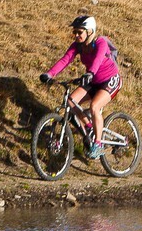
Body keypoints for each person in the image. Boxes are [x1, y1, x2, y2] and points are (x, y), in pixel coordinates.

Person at [40, 13, 121, 159]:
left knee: (94, 106)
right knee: (70, 101)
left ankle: (98, 144)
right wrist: (49, 74)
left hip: (110, 80)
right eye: (75, 32)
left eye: (80, 32)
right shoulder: (77, 46)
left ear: (90, 31)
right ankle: (90, 128)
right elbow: (65, 60)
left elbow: (97, 60)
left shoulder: (100, 42)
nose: (76, 35)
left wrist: (90, 73)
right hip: (93, 80)